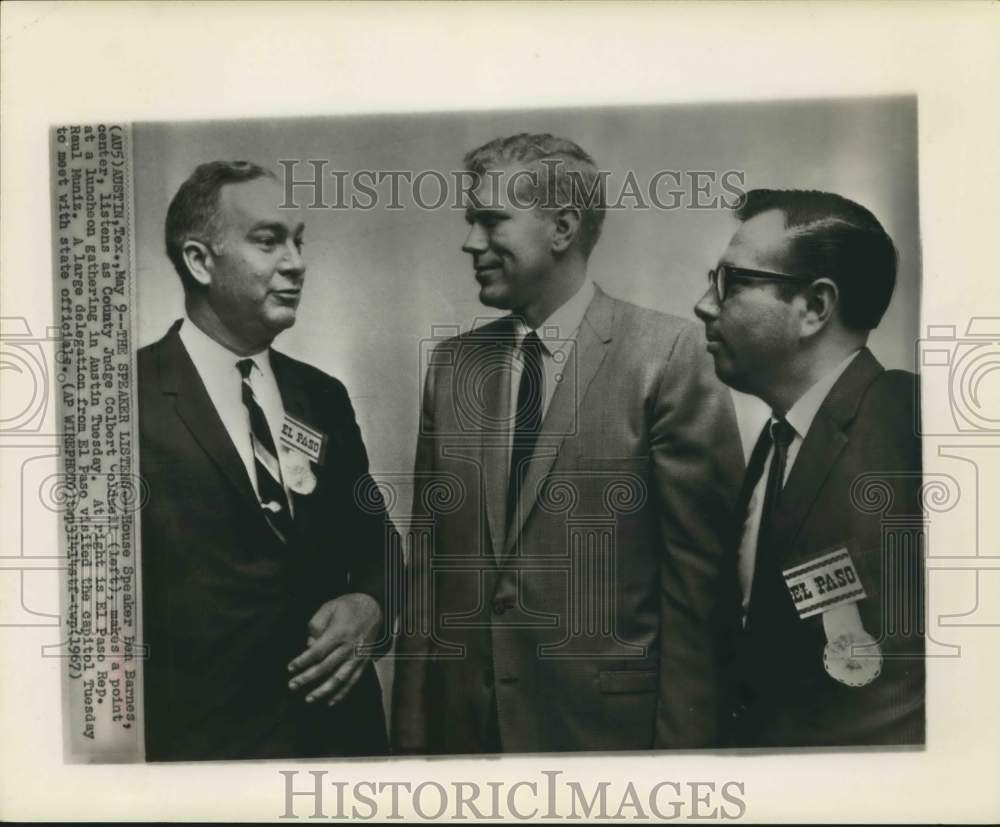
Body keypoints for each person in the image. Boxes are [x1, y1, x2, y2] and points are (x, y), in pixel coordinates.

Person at [391, 133, 743, 754]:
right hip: (464, 741)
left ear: (562, 227)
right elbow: (426, 578)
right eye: (471, 220)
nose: (471, 241)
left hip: (605, 744)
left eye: (491, 220)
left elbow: (699, 600)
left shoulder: (668, 356)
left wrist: (685, 767)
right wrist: (412, 748)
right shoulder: (451, 366)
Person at [138, 161, 397, 760]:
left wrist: (373, 605)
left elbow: (376, 540)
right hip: (203, 756)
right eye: (268, 240)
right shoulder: (122, 399)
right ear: (201, 261)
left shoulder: (322, 395)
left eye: (298, 240)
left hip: (340, 744)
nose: (296, 262)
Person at [694, 188, 924, 747]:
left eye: (732, 283)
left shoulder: (913, 427)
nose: (705, 304)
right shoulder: (778, 443)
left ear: (815, 307)